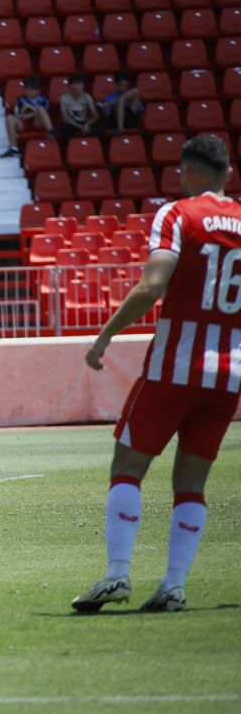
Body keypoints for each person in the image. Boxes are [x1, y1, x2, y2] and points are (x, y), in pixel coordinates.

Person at [73, 135, 238, 614]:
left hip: (174, 367)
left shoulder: (178, 214)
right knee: (191, 483)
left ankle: (118, 574)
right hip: (228, 376)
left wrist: (102, 338)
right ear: (228, 173)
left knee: (127, 468)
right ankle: (174, 584)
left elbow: (152, 286)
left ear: (186, 171)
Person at [0, 77, 52, 158]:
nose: (30, 92)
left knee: (40, 109)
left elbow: (44, 114)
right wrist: (34, 112)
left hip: (38, 123)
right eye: (28, 90)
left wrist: (31, 109)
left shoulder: (43, 99)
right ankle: (14, 148)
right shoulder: (21, 99)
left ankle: (51, 132)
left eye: (32, 90)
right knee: (9, 118)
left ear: (38, 90)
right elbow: (20, 116)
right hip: (24, 124)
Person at [56, 75, 102, 141]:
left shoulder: (87, 96)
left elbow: (96, 115)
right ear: (71, 86)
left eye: (81, 84)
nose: (80, 87)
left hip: (85, 121)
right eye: (77, 84)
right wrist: (80, 127)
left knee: (98, 129)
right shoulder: (64, 98)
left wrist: (87, 124)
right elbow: (65, 118)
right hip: (72, 122)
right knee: (63, 128)